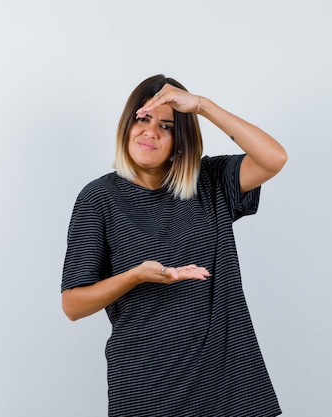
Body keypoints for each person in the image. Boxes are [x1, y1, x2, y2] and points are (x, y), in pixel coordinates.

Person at [61, 74, 287, 416]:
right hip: (145, 390)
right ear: (127, 125)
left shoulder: (210, 181)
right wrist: (135, 276)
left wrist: (201, 105)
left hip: (228, 386)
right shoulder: (99, 199)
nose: (151, 131)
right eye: (143, 118)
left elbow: (274, 158)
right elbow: (73, 305)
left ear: (180, 140)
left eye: (166, 126)